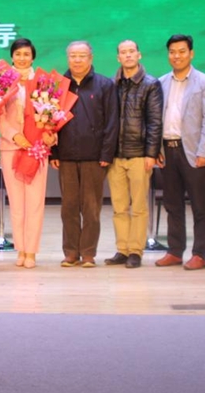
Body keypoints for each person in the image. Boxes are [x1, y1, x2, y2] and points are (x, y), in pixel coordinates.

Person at [50, 41, 119, 268]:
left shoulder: (105, 85)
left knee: (91, 208)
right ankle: (71, 252)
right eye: (73, 56)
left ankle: (88, 253)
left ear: (91, 58)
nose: (77, 60)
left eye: (82, 55)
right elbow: (49, 121)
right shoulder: (58, 85)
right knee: (68, 207)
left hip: (94, 156)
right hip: (66, 155)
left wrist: (106, 154)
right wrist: (54, 152)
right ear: (67, 58)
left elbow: (112, 122)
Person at [155, 34, 205, 270]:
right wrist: (157, 148)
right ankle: (175, 251)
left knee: (200, 205)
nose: (176, 56)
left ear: (191, 54)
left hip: (193, 151)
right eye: (172, 52)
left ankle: (200, 253)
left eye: (181, 51)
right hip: (168, 149)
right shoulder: (161, 82)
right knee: (172, 204)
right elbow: (156, 119)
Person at [104, 40, 162, 269]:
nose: (127, 55)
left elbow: (155, 121)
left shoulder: (151, 84)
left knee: (138, 207)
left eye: (131, 51)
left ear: (139, 55)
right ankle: (122, 249)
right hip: (115, 155)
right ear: (118, 57)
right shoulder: (111, 84)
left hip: (139, 155)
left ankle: (136, 251)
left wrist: (151, 153)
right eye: (123, 52)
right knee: (119, 207)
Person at [0, 38, 55, 270]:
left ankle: (31, 251)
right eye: (18, 54)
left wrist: (51, 135)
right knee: (17, 203)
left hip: (36, 147)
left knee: (35, 202)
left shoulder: (43, 82)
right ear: (12, 56)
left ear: (33, 57)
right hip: (11, 147)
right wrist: (14, 136)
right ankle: (20, 249)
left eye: (26, 54)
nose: (22, 58)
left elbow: (51, 115)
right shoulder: (2, 81)